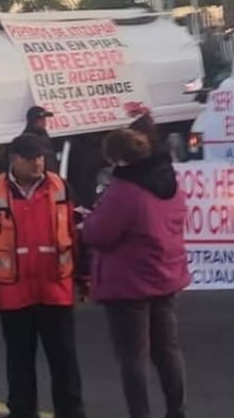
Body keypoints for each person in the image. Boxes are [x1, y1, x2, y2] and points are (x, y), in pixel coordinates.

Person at [0, 133, 88, 418]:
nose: (38, 162)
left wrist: (85, 275)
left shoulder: (61, 187)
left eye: (41, 156)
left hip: (55, 292)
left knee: (65, 365)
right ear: (14, 159)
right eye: (31, 157)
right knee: (20, 366)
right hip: (13, 296)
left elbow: (80, 232)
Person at [83, 129, 190, 418]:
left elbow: (99, 234)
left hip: (129, 284)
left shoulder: (124, 191)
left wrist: (90, 219)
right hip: (164, 275)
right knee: (167, 350)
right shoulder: (170, 183)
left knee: (134, 358)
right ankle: (176, 410)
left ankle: (140, 414)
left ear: (117, 158)